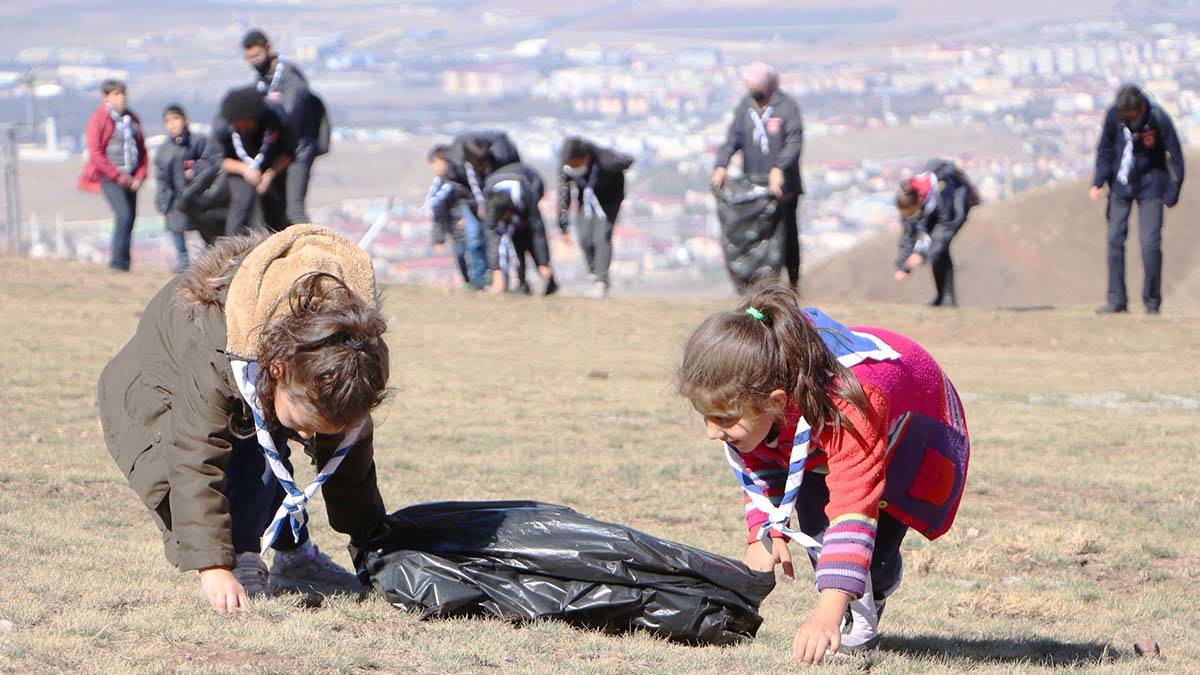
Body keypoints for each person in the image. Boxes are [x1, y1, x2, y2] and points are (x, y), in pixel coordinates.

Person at [98, 225, 395, 612]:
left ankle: (295, 556)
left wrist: (374, 544)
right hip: (156, 395)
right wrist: (216, 566)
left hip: (249, 381)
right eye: (307, 422)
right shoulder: (217, 341)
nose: (307, 435)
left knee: (268, 441)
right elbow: (195, 456)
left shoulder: (346, 358)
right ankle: (245, 555)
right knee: (249, 454)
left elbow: (348, 460)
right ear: (276, 371)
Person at [676, 280, 970, 664]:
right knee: (818, 525)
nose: (712, 432)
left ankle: (872, 587)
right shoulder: (760, 391)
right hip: (819, 430)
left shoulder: (851, 400)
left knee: (870, 545)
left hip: (908, 427)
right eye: (706, 417)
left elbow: (854, 505)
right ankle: (850, 595)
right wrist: (762, 531)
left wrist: (824, 617)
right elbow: (758, 460)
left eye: (723, 419)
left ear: (775, 402)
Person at [1089, 84, 1185, 315]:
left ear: (1140, 107)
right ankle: (1116, 300)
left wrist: (1173, 192)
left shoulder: (1157, 117)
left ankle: (1152, 303)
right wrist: (1098, 181)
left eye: (1130, 114)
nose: (1127, 118)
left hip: (1152, 186)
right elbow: (1105, 150)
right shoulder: (1114, 115)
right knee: (1114, 241)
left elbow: (1176, 156)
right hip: (1121, 185)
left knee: (1150, 245)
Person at [712, 62, 805, 291]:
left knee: (787, 235)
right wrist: (721, 164)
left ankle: (792, 284)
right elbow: (733, 138)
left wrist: (779, 169)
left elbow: (794, 142)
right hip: (753, 185)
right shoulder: (746, 107)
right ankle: (757, 285)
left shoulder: (786, 107)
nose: (749, 88)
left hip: (783, 186)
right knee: (755, 236)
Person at [242, 29, 328, 226]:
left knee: (294, 210)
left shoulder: (291, 78)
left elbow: (289, 116)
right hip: (276, 153)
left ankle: (315, 250)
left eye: (257, 55)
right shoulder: (263, 81)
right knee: (273, 211)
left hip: (298, 152)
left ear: (268, 48)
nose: (254, 62)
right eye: (249, 58)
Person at [205, 86, 297, 235]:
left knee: (274, 206)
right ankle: (233, 247)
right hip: (237, 166)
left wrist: (269, 175)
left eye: (244, 122)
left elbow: (288, 152)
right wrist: (244, 170)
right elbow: (217, 158)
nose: (241, 126)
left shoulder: (276, 117)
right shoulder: (223, 123)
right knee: (243, 202)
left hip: (271, 165)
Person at [78, 79, 148, 272]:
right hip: (110, 177)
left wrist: (140, 175)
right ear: (106, 97)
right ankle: (117, 262)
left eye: (123, 93)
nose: (121, 98)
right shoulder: (100, 118)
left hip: (132, 177)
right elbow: (95, 151)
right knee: (123, 215)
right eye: (116, 94)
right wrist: (117, 176)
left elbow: (142, 150)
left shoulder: (132, 119)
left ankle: (125, 263)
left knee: (131, 218)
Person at [439, 130, 522, 289]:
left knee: (500, 239)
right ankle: (479, 281)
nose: (482, 168)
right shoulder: (456, 161)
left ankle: (503, 281)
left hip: (499, 202)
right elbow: (453, 185)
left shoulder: (503, 154)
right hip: (470, 201)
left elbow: (515, 173)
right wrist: (474, 204)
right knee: (474, 237)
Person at [893, 160, 981, 307]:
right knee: (936, 251)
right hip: (934, 213)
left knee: (940, 250)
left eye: (911, 213)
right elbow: (908, 233)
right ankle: (943, 297)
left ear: (921, 201)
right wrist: (903, 266)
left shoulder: (942, 196)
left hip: (955, 207)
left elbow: (942, 235)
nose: (909, 216)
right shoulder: (908, 199)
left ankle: (947, 298)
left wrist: (921, 255)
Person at [557, 137, 633, 299]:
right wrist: (562, 225)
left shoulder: (606, 160)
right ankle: (593, 272)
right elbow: (563, 194)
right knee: (584, 237)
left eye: (575, 164)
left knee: (602, 236)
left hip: (610, 199)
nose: (572, 167)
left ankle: (601, 281)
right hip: (586, 199)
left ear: (586, 158)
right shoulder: (566, 166)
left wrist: (623, 162)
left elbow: (627, 160)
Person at [481, 162, 559, 296]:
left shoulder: (527, 193)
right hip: (510, 197)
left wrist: (543, 262)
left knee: (527, 235)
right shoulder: (490, 200)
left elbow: (538, 231)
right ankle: (522, 283)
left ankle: (548, 279)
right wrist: (496, 271)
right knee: (513, 239)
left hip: (532, 184)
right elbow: (492, 238)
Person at [154, 104, 207, 271]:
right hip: (174, 197)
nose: (173, 124)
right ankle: (183, 260)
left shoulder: (198, 142)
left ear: (185, 120)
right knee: (176, 228)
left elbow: (210, 161)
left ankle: (210, 258)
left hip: (198, 196)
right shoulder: (164, 150)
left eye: (176, 119)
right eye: (168, 121)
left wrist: (196, 171)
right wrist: (162, 201)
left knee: (205, 229)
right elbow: (161, 177)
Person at [425, 144, 473, 288]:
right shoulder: (439, 184)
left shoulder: (461, 179)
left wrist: (468, 217)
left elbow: (472, 199)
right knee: (460, 255)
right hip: (455, 230)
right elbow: (437, 212)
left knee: (474, 253)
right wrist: (438, 237)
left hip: (469, 227)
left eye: (436, 163)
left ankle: (480, 283)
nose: (434, 168)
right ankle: (469, 283)